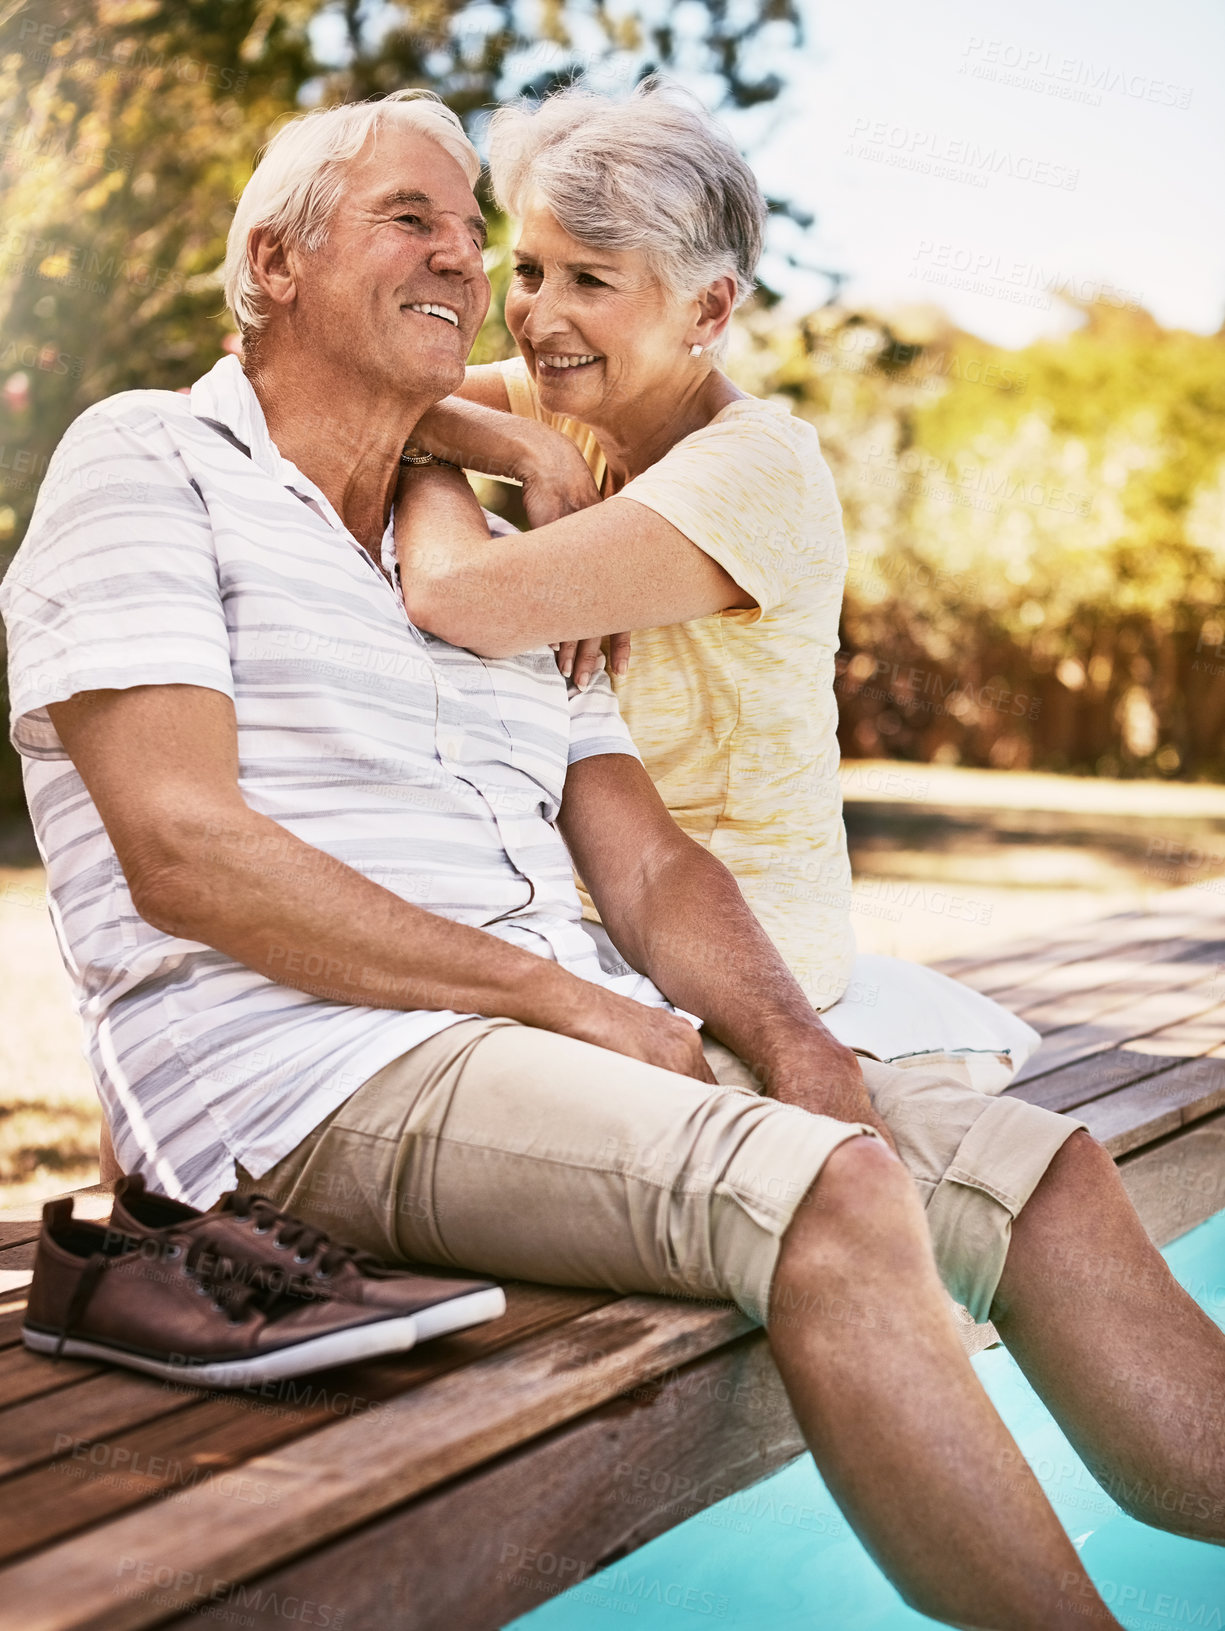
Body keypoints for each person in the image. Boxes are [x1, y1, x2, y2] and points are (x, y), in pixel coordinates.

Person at [3, 88, 1221, 1631]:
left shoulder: (486, 548)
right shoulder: (150, 461)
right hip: (301, 1079)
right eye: (413, 221)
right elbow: (185, 850)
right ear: (276, 258)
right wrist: (561, 999)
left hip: (543, 1049)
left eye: (475, 228)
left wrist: (795, 1040)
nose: (473, 261)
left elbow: (642, 865)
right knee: (836, 1194)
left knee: (1033, 1176)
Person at [396, 79, 1034, 1080]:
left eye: (592, 281)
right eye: (528, 269)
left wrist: (438, 451)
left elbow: (455, 596)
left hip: (740, 956)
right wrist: (528, 451)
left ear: (708, 306)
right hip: (593, 921)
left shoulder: (758, 468)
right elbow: (343, 392)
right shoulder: (572, 403)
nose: (538, 316)